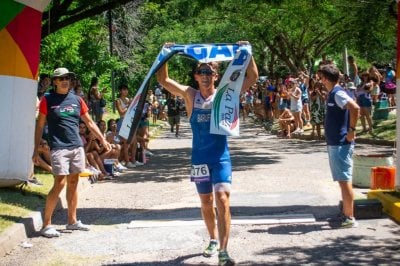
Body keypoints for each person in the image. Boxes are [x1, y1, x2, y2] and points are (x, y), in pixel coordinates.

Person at [157, 41, 258, 266]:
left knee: (222, 200)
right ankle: (212, 238)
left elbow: (252, 78)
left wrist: (248, 52)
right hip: (199, 159)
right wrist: (166, 54)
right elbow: (163, 80)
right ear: (195, 76)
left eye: (209, 72)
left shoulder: (226, 93)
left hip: (221, 157)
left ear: (215, 75)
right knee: (206, 202)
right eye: (201, 71)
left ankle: (224, 251)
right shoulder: (190, 95)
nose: (204, 75)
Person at [33, 67, 112, 238]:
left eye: (68, 78)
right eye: (61, 78)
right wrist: (35, 150)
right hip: (58, 147)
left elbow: (90, 122)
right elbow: (40, 126)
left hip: (76, 146)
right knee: (59, 182)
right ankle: (47, 225)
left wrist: (103, 139)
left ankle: (72, 221)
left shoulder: (77, 99)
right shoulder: (48, 100)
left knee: (74, 182)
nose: (65, 80)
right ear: (55, 81)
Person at [318, 63, 360, 228]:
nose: (320, 80)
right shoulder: (334, 93)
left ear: (326, 78)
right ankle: (346, 212)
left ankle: (349, 217)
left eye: (321, 77)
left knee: (344, 179)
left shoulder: (338, 93)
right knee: (342, 179)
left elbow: (355, 107)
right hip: (336, 143)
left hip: (341, 143)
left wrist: (352, 130)